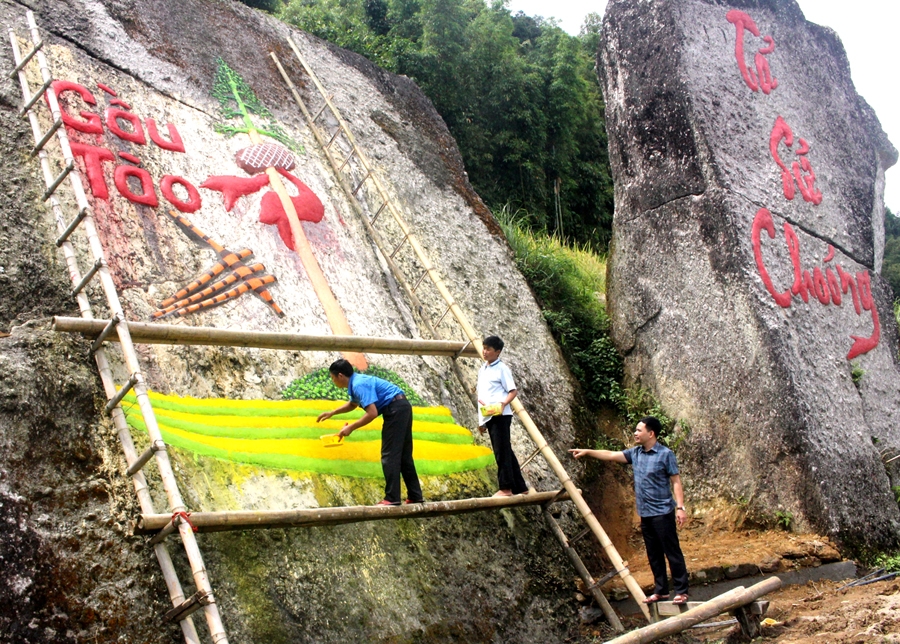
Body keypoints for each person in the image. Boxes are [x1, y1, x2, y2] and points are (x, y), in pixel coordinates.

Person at [569, 416, 690, 605]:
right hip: (645, 513)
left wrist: (680, 507)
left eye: (639, 430)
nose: (635, 433)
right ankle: (661, 591)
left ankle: (682, 591)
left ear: (651, 433)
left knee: (671, 551)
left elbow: (676, 481)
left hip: (663, 512)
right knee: (653, 553)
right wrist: (587, 452)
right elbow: (610, 455)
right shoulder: (636, 453)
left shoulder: (666, 454)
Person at [316, 359, 424, 506]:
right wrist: (333, 412)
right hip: (402, 406)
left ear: (340, 376)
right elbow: (353, 404)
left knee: (389, 455)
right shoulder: (356, 383)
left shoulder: (359, 384)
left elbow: (372, 413)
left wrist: (351, 427)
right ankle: (415, 495)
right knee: (404, 455)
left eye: (333, 377)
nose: (333, 380)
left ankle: (392, 498)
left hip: (395, 409)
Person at [477, 335, 529, 497]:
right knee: (506, 450)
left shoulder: (502, 369)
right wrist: (482, 421)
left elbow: (513, 391)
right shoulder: (483, 369)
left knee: (501, 451)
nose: (484, 352)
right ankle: (520, 487)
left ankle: (506, 488)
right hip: (489, 414)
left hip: (500, 414)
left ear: (497, 352)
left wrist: (503, 404)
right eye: (484, 348)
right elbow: (483, 396)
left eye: (488, 349)